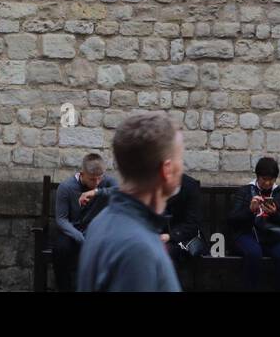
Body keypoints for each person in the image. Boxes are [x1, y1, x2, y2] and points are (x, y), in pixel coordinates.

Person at [77, 113, 183, 292]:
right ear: (167, 170)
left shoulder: (102, 221)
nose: (182, 166)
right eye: (181, 159)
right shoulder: (138, 249)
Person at [227, 156, 280, 291]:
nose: (267, 183)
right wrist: (250, 210)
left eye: (271, 180)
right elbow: (232, 219)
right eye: (264, 179)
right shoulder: (245, 191)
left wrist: (275, 214)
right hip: (247, 234)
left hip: (272, 237)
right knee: (253, 253)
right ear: (257, 177)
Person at [52, 153, 116, 291]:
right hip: (72, 231)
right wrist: (80, 238)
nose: (97, 182)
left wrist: (96, 192)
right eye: (93, 179)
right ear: (82, 174)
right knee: (60, 249)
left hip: (96, 230)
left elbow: (121, 191)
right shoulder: (66, 187)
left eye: (100, 178)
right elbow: (61, 219)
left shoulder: (105, 182)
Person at [161, 172, 203, 268]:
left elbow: (193, 223)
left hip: (181, 239)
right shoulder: (151, 183)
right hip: (157, 237)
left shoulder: (189, 186)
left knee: (165, 253)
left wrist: (170, 236)